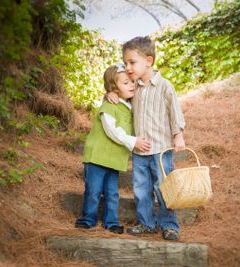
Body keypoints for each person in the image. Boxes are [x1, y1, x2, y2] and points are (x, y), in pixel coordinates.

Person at [107, 36, 186, 241]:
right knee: (141, 190)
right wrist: (110, 94)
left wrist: (178, 135)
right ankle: (147, 223)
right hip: (140, 150)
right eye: (125, 63)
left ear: (148, 61)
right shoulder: (133, 88)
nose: (128, 67)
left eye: (132, 62)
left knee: (164, 189)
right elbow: (119, 93)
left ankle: (169, 225)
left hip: (161, 150)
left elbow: (174, 112)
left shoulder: (164, 86)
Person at [75, 63, 151, 234]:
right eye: (126, 83)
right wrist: (133, 142)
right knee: (93, 191)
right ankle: (88, 219)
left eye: (132, 82)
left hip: (114, 159)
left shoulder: (131, 107)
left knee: (112, 193)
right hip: (97, 156)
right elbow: (112, 131)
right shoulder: (109, 105)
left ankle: (111, 221)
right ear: (114, 89)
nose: (132, 85)